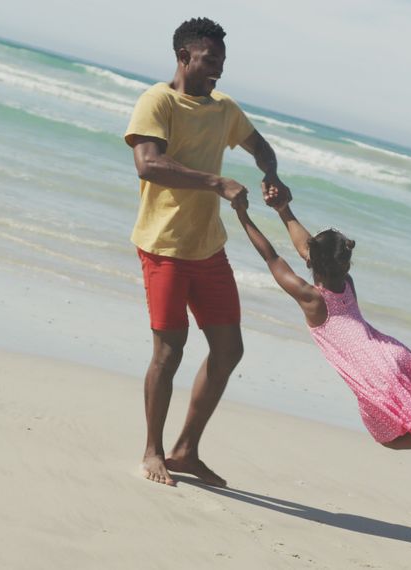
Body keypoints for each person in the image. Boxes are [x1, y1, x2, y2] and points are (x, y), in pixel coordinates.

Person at [124, 17, 291, 487]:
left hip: (208, 247)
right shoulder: (158, 100)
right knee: (169, 350)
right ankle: (152, 450)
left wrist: (271, 175)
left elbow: (261, 148)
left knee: (228, 348)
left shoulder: (224, 108)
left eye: (222, 62)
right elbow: (148, 164)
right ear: (184, 57)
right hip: (165, 246)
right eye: (209, 60)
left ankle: (185, 450)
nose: (218, 69)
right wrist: (215, 181)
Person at [235, 191, 411, 460]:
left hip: (375, 372)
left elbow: (272, 258)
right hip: (393, 352)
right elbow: (310, 250)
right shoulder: (346, 284)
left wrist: (243, 214)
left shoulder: (312, 299)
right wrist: (284, 210)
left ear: (313, 260)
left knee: (389, 437)